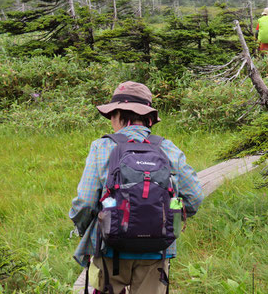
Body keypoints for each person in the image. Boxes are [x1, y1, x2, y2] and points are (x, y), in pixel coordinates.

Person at [70, 81, 204, 294]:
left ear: (119, 115)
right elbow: (194, 197)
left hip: (109, 247)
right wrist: (172, 213)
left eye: (112, 115)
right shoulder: (167, 148)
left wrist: (82, 228)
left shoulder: (102, 147)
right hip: (158, 249)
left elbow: (85, 202)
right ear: (147, 118)